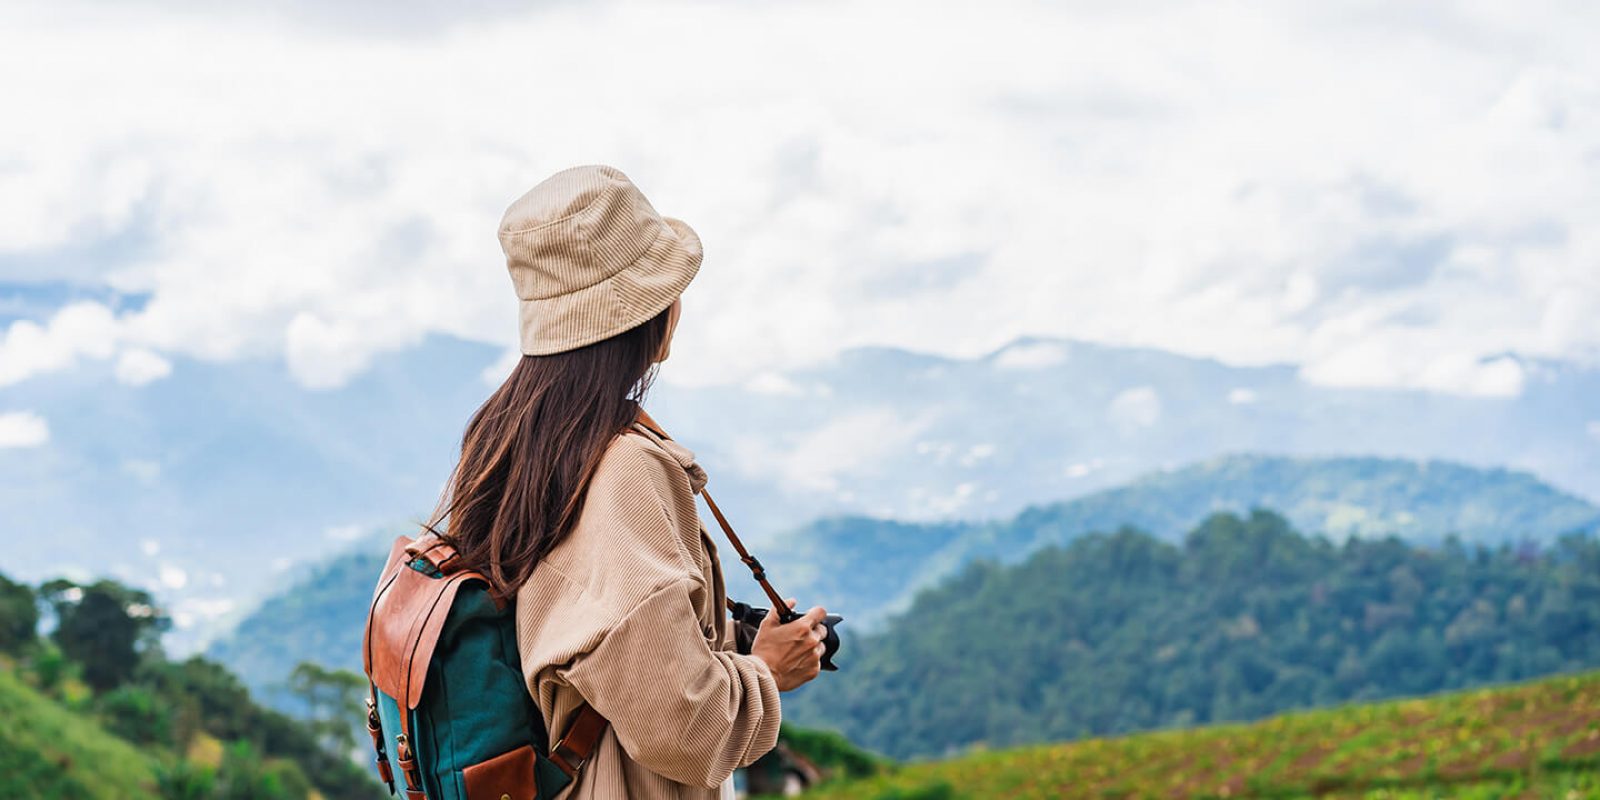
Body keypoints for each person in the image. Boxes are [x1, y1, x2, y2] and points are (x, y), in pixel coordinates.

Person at [425, 165, 829, 799]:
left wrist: (734, 637)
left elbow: (600, 637)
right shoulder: (625, 469)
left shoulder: (510, 443)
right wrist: (769, 671)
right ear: (646, 318)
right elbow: (685, 726)